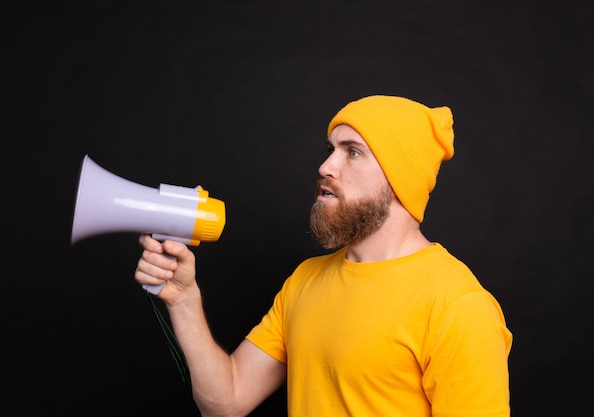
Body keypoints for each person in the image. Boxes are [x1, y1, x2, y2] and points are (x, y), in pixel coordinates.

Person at [134, 95, 513, 417]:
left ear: (400, 180)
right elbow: (227, 402)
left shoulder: (459, 307)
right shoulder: (307, 279)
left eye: (352, 152)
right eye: (330, 150)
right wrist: (184, 299)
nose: (325, 167)